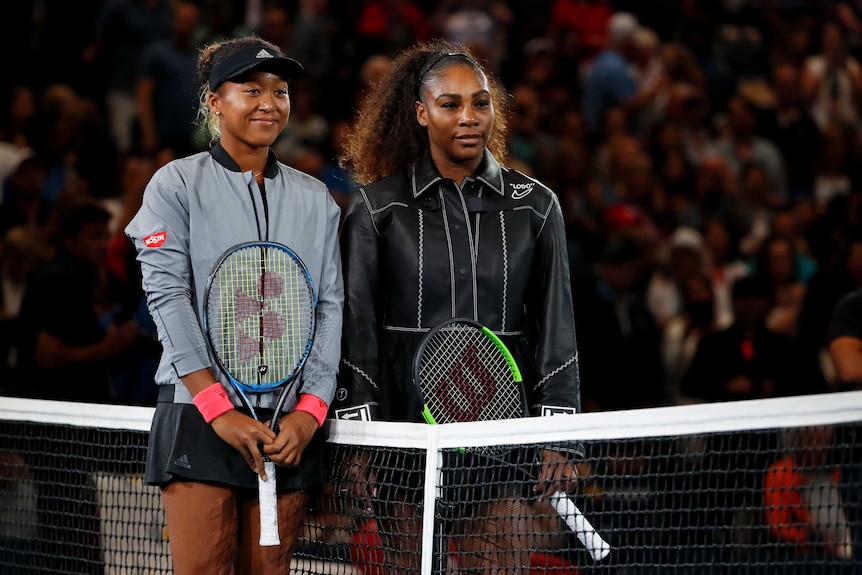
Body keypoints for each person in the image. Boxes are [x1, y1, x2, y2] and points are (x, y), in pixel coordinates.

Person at [333, 39, 583, 574]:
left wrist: (559, 437)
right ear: (422, 113)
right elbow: (357, 335)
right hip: (402, 443)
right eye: (450, 104)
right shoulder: (377, 209)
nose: (469, 117)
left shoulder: (537, 207)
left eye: (481, 102)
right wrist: (357, 441)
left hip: (500, 444)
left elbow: (556, 330)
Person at [124, 36, 343, 574]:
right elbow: (167, 297)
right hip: (202, 417)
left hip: (288, 427)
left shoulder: (316, 198)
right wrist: (216, 407)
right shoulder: (174, 183)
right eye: (252, 89)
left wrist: (310, 410)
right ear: (215, 101)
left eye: (281, 90)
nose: (269, 102)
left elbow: (330, 307)